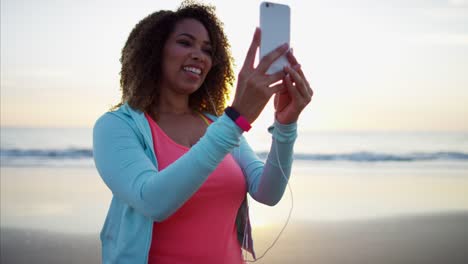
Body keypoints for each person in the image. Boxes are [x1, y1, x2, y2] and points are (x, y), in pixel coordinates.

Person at [93, 1, 312, 263]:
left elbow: (268, 192)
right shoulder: (117, 126)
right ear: (153, 51)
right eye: (185, 43)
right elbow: (152, 201)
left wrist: (286, 126)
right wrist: (234, 120)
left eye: (207, 50)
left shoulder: (215, 125)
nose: (199, 55)